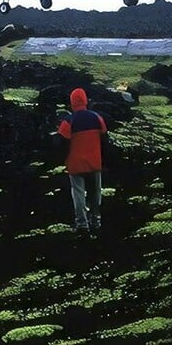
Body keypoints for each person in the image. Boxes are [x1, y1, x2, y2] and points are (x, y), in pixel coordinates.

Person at [58, 88, 107, 236]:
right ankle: (96, 220)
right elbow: (105, 140)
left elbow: (61, 144)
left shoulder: (68, 121)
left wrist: (64, 159)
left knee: (78, 193)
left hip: (76, 163)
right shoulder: (97, 118)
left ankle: (82, 224)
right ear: (86, 100)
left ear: (72, 102)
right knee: (95, 192)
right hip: (94, 162)